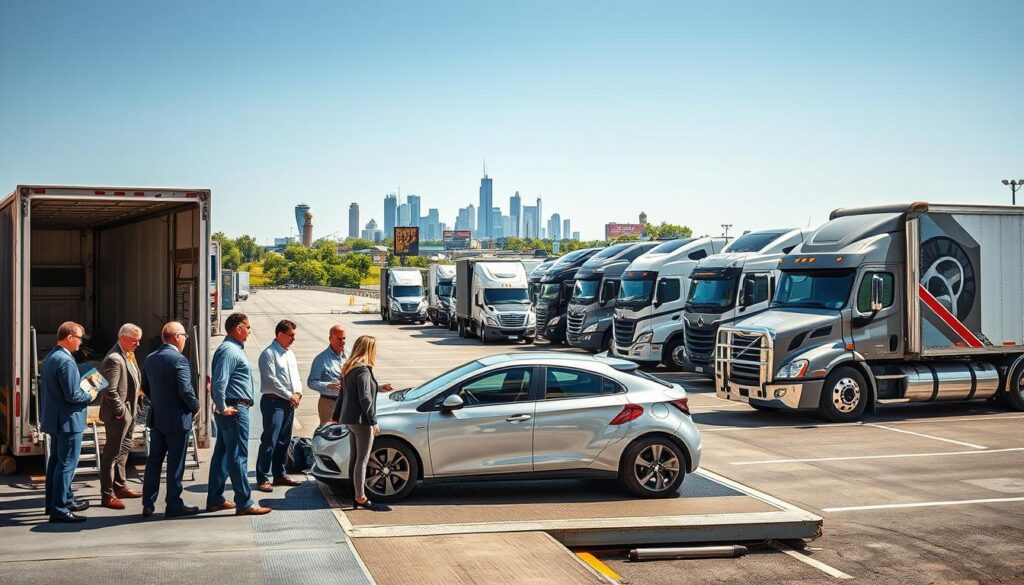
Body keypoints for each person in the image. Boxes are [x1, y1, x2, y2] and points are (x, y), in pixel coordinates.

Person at [207, 313, 271, 516]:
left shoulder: (231, 349)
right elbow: (219, 382)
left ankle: (215, 499)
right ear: (238, 329)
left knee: (223, 455)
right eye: (248, 327)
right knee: (238, 456)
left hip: (231, 407)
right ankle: (244, 502)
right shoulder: (230, 351)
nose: (250, 331)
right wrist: (222, 406)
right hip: (234, 409)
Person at [141, 322, 201, 518]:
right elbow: (185, 389)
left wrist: (158, 403)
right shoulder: (179, 360)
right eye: (184, 336)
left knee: (154, 461)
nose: (185, 339)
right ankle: (173, 504)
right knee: (175, 463)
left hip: (157, 418)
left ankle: (148, 503)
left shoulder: (150, 359)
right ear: (176, 337)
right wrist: (195, 406)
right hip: (177, 419)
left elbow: (146, 387)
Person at [41, 321, 98, 523]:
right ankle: (60, 508)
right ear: (71, 337)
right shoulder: (66, 361)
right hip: (68, 420)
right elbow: (73, 395)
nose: (81, 343)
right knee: (66, 465)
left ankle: (57, 502)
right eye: (80, 338)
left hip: (56, 420)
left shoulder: (51, 356)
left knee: (56, 462)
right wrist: (90, 393)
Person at [332, 335, 393, 512]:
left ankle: (355, 492)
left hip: (350, 420)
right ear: (369, 350)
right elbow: (364, 397)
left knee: (355, 457)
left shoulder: (349, 367)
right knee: (362, 460)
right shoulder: (363, 370)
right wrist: (373, 421)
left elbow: (344, 394)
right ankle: (361, 497)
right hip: (361, 421)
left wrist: (379, 388)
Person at [98, 323, 144, 510]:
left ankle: (120, 486)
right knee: (111, 454)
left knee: (124, 451)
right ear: (123, 338)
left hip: (129, 412)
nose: (138, 344)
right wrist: (120, 413)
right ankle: (107, 495)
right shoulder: (114, 359)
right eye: (135, 340)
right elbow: (110, 390)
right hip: (120, 416)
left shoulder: (128, 355)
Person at [255, 320, 304, 492]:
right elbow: (272, 381)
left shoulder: (290, 354)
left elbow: (296, 376)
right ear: (280, 335)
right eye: (291, 336)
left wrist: (298, 393)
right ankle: (262, 477)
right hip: (274, 402)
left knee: (284, 441)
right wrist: (291, 395)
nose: (293, 339)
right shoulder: (268, 354)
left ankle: (279, 474)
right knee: (270, 440)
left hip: (289, 403)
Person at [307, 325, 347, 425]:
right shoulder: (321, 359)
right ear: (330, 339)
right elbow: (311, 382)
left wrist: (377, 387)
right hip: (329, 403)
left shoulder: (349, 356)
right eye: (339, 339)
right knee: (330, 435)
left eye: (344, 338)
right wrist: (328, 385)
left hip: (346, 403)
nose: (342, 341)